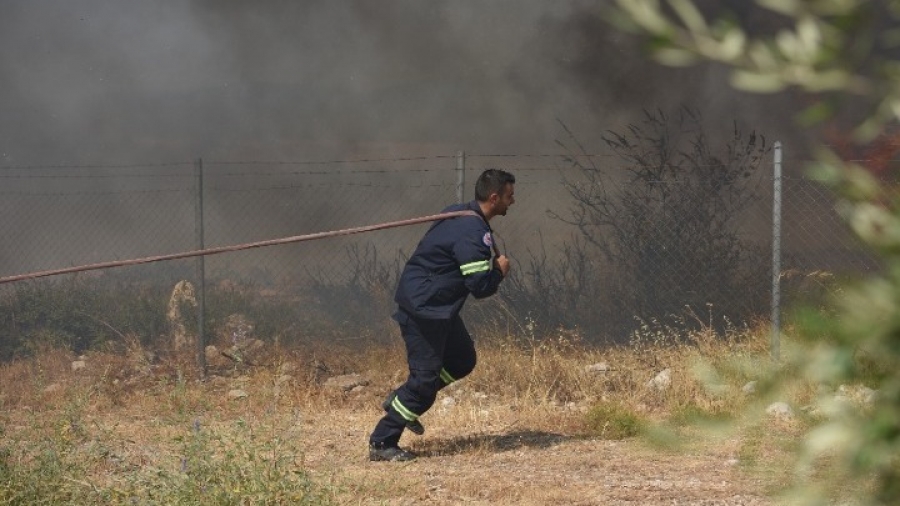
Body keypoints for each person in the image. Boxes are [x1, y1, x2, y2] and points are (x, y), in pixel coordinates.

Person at [368, 168, 516, 462]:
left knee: (462, 359)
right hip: (425, 310)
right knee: (424, 384)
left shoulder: (459, 213)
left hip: (438, 306)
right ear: (494, 197)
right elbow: (480, 287)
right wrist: (499, 270)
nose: (513, 202)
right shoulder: (472, 233)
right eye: (510, 196)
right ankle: (382, 442)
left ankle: (401, 399)